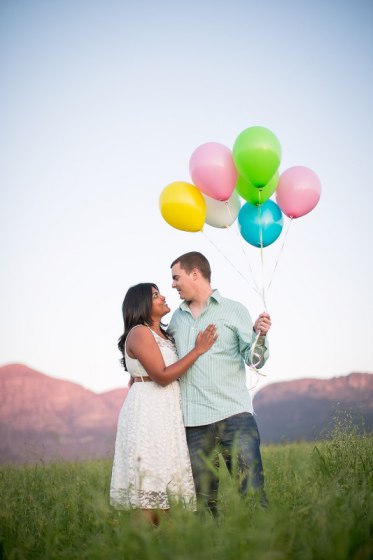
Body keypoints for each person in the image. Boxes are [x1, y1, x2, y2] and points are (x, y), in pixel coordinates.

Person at [167, 252, 271, 515]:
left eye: (176, 277)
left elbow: (254, 360)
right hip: (193, 424)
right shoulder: (176, 320)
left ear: (195, 274)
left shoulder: (234, 310)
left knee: (252, 495)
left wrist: (261, 335)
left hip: (235, 417)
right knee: (203, 504)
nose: (173, 284)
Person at [110, 282, 217, 525]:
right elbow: (162, 375)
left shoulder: (164, 335)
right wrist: (198, 350)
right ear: (142, 305)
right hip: (147, 412)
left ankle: (156, 546)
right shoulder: (139, 332)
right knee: (148, 489)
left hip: (165, 412)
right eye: (156, 295)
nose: (163, 297)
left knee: (161, 489)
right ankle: (140, 547)